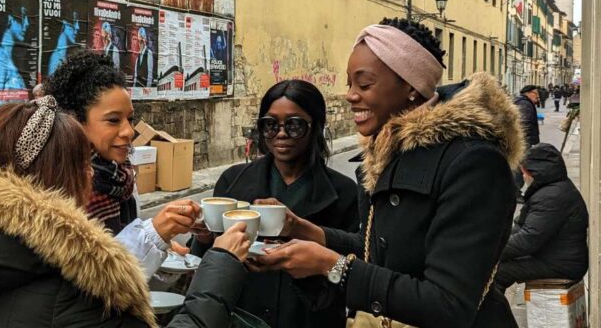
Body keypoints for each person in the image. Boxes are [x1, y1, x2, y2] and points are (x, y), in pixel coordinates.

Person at [250, 18, 522, 328]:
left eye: (364, 84)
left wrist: (332, 266)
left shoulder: (475, 163)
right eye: (349, 84)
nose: (351, 95)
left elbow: (448, 305)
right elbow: (381, 251)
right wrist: (304, 230)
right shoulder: (387, 154)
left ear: (411, 86)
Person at [0, 99, 252, 327]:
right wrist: (219, 269)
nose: (91, 172)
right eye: (81, 163)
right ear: (50, 176)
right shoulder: (75, 288)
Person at [190, 80, 359, 328]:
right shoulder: (232, 182)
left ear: (316, 126)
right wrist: (203, 237)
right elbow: (206, 264)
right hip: (243, 317)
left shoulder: (344, 193)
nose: (281, 133)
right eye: (270, 125)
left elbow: (351, 270)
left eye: (294, 125)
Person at [46, 50, 201, 277]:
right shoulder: (58, 188)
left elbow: (124, 246)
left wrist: (161, 251)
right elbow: (87, 278)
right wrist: (153, 234)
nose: (129, 131)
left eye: (130, 119)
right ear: (76, 122)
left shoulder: (120, 175)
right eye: (113, 120)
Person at [495, 143, 589, 298]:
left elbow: (528, 240)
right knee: (497, 266)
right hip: (554, 257)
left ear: (534, 172)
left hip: (562, 264)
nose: (523, 177)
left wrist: (494, 251)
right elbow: (520, 227)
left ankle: (494, 311)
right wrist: (496, 243)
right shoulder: (550, 190)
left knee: (498, 272)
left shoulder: (551, 197)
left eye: (524, 172)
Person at [0, 6, 28, 92]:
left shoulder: (11, 58)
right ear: (10, 19)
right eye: (22, 17)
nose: (27, 23)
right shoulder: (0, 55)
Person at [514, 85, 541, 149]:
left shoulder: (524, 102)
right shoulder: (525, 104)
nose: (537, 96)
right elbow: (524, 124)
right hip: (526, 141)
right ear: (528, 93)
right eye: (535, 93)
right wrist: (529, 142)